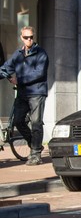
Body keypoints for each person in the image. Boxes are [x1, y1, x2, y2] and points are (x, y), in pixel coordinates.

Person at [0, 26, 49, 165]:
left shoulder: (41, 53)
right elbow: (6, 68)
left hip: (37, 92)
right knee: (18, 121)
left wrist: (18, 80)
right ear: (21, 38)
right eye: (26, 37)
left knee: (36, 123)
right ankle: (35, 145)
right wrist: (3, 74)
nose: (29, 40)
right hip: (22, 93)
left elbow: (39, 73)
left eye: (31, 37)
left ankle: (35, 155)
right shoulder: (18, 54)